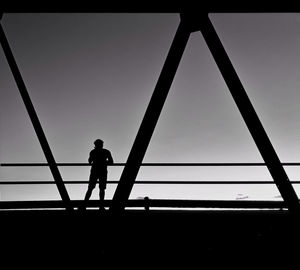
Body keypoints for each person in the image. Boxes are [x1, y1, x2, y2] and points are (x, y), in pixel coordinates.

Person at [83, 139, 114, 210]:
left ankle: (84, 205)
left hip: (94, 171)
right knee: (102, 189)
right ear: (102, 144)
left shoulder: (93, 152)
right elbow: (111, 162)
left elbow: (89, 161)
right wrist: (104, 162)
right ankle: (101, 206)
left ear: (95, 144)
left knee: (90, 188)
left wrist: (95, 160)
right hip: (103, 171)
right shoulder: (106, 151)